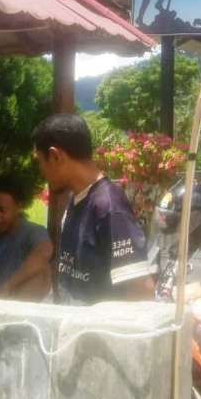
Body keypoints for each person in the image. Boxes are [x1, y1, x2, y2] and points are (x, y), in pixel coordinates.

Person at [32, 114, 155, 304]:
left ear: (56, 156)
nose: (41, 170)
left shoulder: (109, 208)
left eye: (40, 161)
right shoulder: (77, 201)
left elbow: (141, 291)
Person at [0, 174, 53, 301]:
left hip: (28, 303)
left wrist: (8, 287)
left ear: (18, 207)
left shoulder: (33, 232)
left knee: (41, 272)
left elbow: (44, 252)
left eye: (2, 210)